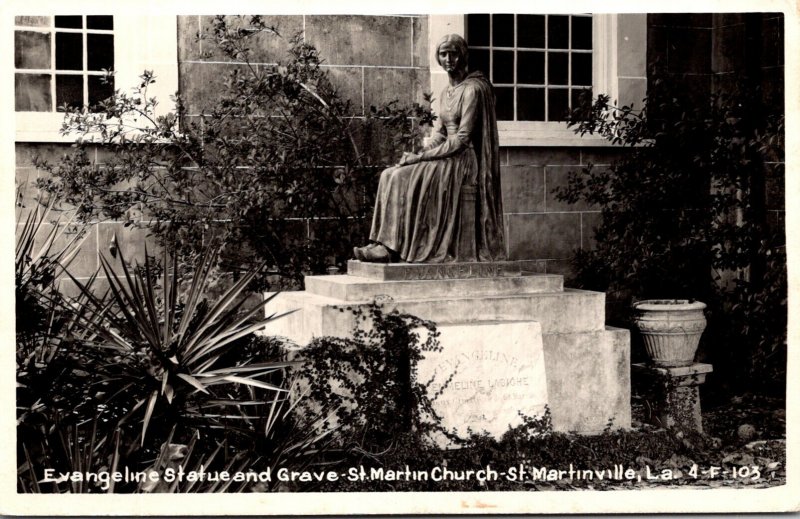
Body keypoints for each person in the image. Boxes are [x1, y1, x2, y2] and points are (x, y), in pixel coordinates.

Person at [353, 34, 506, 263]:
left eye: (453, 53)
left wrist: (421, 158)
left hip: (462, 161)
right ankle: (382, 243)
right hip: (445, 155)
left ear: (462, 55)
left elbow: (461, 139)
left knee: (402, 178)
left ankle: (391, 248)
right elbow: (440, 133)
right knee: (389, 174)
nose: (448, 59)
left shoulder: (473, 90)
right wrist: (417, 155)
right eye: (443, 54)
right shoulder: (446, 92)